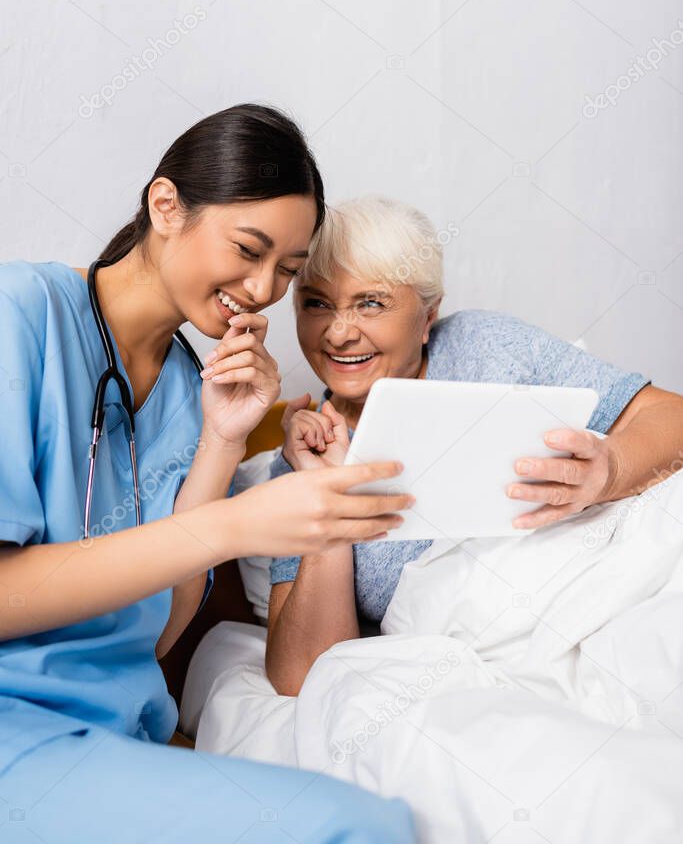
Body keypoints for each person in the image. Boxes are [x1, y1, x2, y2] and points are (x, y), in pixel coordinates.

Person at [0, 109, 416, 844]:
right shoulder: (19, 316)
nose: (260, 289)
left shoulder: (196, 390)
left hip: (115, 735)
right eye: (248, 250)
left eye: (286, 272)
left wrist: (222, 443)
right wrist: (233, 522)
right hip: (18, 730)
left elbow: (154, 637)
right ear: (166, 206)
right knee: (353, 828)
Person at [265, 195, 683, 696]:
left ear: (427, 317)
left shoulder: (484, 346)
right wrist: (326, 489)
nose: (338, 333)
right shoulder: (301, 460)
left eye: (370, 302)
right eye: (316, 303)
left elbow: (669, 416)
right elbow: (300, 676)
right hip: (499, 659)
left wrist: (609, 470)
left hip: (617, 595)